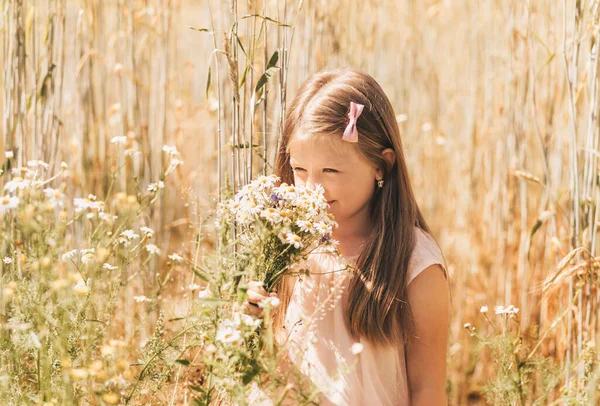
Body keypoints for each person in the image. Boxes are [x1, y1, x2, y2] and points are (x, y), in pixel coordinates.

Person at [245, 68, 450, 405]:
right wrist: (254, 327)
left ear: (380, 166)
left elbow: (428, 389)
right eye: (299, 170)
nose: (311, 188)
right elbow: (275, 370)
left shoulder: (416, 265)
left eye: (331, 171)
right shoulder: (286, 248)